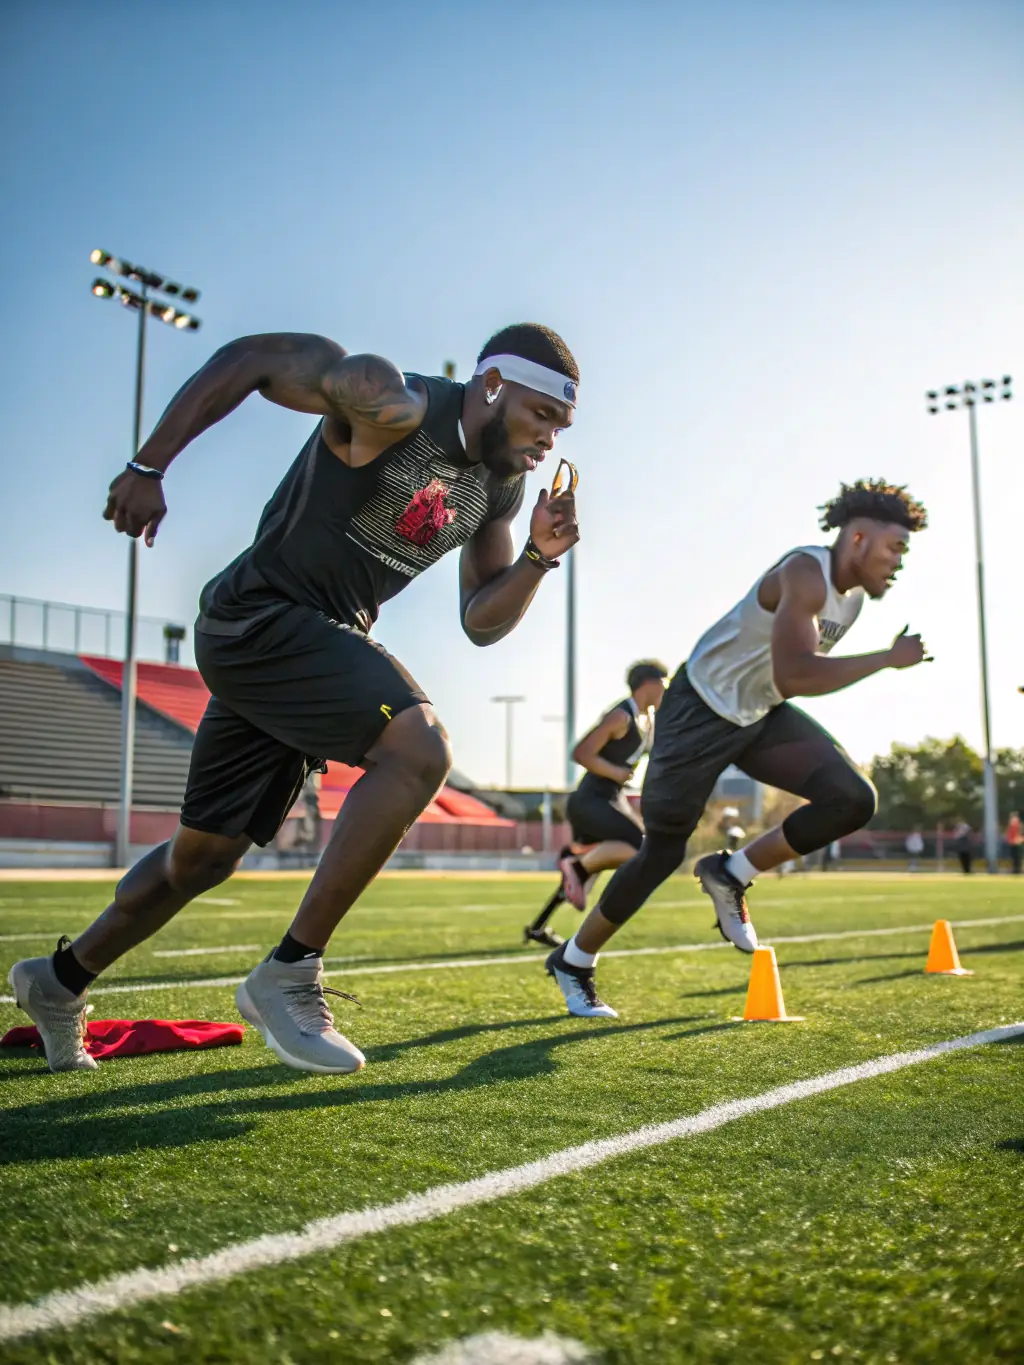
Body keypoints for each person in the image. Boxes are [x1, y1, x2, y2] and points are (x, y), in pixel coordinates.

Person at [10, 324, 581, 1072]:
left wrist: (538, 559)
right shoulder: (394, 402)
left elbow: (479, 621)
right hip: (261, 616)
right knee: (421, 748)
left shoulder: (500, 488)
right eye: (544, 415)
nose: (550, 439)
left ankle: (56, 981)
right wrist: (148, 464)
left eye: (562, 427)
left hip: (309, 651)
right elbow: (254, 359)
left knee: (202, 861)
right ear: (496, 385)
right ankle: (290, 968)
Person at [546, 478, 930, 1017]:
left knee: (852, 798)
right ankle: (574, 960)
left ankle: (731, 872)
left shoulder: (855, 600)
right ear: (860, 539)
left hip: (756, 713)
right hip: (698, 710)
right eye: (896, 547)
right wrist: (885, 660)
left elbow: (784, 679)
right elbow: (795, 672)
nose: (900, 561)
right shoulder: (804, 571)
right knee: (660, 851)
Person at [524, 661, 668, 948]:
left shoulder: (647, 719)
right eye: (664, 682)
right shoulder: (620, 716)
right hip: (591, 800)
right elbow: (581, 752)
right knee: (639, 848)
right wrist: (616, 772)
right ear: (648, 684)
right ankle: (576, 864)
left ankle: (539, 926)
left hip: (613, 798)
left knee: (595, 865)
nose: (667, 688)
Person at [1007, 811, 1023, 875]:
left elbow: (1016, 833)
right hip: (1015, 842)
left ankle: (1017, 870)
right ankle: (1016, 869)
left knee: (1016, 858)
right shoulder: (1016, 823)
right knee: (1016, 858)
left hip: (1015, 842)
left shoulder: (1015, 823)